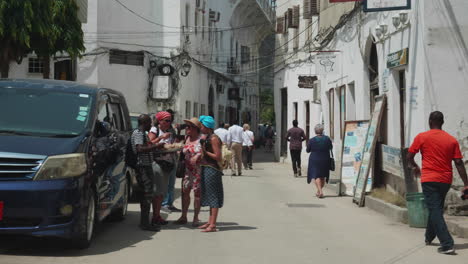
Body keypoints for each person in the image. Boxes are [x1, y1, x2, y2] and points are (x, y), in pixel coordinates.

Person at [407, 111, 468, 255]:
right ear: (442, 122)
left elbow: (409, 156)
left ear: (429, 122)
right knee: (436, 208)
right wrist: (466, 183)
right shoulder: (451, 140)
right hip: (445, 180)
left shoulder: (422, 137)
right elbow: (458, 162)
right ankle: (429, 237)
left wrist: (415, 167)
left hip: (429, 179)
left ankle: (447, 244)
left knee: (434, 209)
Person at [131, 114, 163, 231]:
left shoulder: (142, 133)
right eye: (149, 123)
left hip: (146, 166)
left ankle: (145, 221)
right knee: (147, 193)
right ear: (144, 123)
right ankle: (145, 223)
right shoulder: (139, 133)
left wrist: (155, 146)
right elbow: (139, 149)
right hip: (142, 167)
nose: (151, 125)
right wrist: (156, 147)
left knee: (147, 193)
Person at [175, 117, 203, 226]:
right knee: (185, 193)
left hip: (198, 171)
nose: (187, 128)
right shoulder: (186, 138)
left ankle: (196, 218)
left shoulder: (201, 139)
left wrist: (198, 155)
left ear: (195, 129)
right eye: (186, 126)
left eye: (189, 127)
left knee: (197, 194)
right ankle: (183, 216)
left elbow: (205, 152)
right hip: (187, 171)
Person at [151, 110, 181, 213]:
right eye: (166, 120)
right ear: (159, 121)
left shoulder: (170, 130)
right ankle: (162, 205)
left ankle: (169, 203)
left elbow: (171, 144)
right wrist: (161, 138)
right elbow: (149, 144)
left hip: (170, 160)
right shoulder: (155, 130)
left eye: (170, 120)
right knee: (162, 186)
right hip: (160, 162)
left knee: (171, 184)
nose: (169, 123)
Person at [198, 115, 224, 232]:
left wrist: (205, 152)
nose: (200, 127)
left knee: (213, 196)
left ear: (207, 126)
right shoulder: (208, 137)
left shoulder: (213, 139)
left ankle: (212, 224)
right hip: (206, 168)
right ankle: (210, 221)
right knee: (209, 195)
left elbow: (218, 156)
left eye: (201, 125)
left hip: (212, 169)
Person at [306, 124, 333, 198]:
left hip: (315, 159)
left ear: (315, 131)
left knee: (316, 175)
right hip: (325, 159)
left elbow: (308, 150)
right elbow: (330, 147)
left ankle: (320, 191)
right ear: (322, 131)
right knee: (323, 176)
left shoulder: (312, 140)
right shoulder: (327, 139)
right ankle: (319, 191)